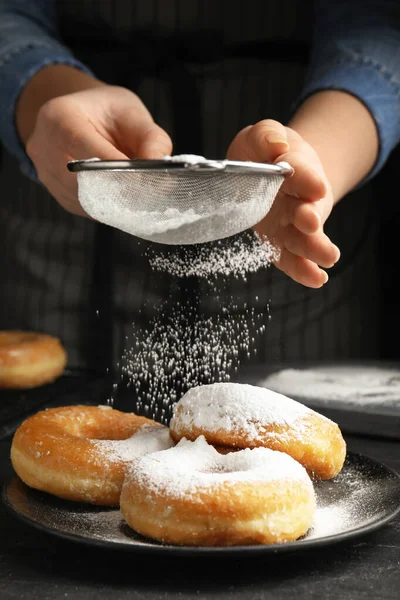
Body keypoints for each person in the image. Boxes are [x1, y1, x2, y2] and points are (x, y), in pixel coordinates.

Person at [0, 1, 399, 380]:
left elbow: (379, 24)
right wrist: (45, 94)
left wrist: (306, 161)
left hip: (288, 293)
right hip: (57, 257)